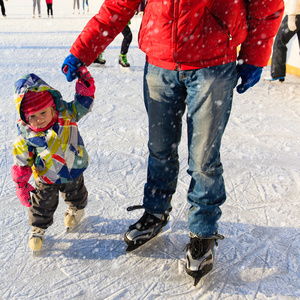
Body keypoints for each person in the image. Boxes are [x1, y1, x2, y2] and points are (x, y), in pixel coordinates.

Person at [61, 0, 284, 285]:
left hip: (213, 64)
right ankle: (156, 210)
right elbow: (118, 5)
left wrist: (255, 54)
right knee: (160, 149)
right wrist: (83, 51)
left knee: (203, 158)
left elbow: (266, 4)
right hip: (160, 62)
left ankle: (203, 231)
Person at [12, 69, 95, 251]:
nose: (39, 120)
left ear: (52, 107)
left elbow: (83, 105)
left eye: (42, 113)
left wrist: (85, 86)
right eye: (32, 116)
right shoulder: (27, 135)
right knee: (42, 203)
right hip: (46, 174)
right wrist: (21, 183)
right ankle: (38, 229)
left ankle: (76, 209)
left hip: (72, 166)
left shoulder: (66, 114)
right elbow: (21, 160)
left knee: (76, 193)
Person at [268, 0, 300, 82]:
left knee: (279, 42)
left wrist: (292, 16)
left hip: (295, 14)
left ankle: (277, 74)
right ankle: (278, 74)